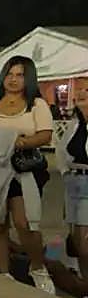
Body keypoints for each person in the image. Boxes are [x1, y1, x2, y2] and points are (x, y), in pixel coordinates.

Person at [0, 56, 54, 294]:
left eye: (20, 75)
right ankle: (4, 274)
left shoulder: (37, 104)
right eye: (10, 74)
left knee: (24, 222)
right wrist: (6, 138)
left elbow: (45, 134)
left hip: (22, 168)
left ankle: (37, 267)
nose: (14, 80)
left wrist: (17, 142)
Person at [56, 85, 88, 281]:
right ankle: (85, 285)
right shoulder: (74, 125)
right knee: (75, 240)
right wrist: (65, 173)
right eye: (79, 95)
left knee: (84, 242)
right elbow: (61, 151)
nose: (81, 95)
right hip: (73, 180)